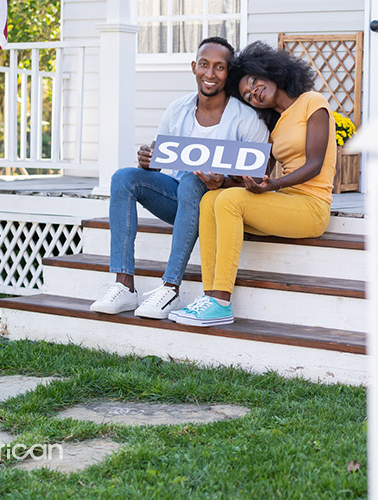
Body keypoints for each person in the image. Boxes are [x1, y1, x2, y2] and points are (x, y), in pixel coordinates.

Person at [90, 37, 269, 319]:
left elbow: (257, 179)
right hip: (179, 202)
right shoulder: (178, 109)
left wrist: (223, 183)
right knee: (123, 178)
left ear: (229, 72)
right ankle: (124, 286)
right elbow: (160, 162)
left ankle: (170, 287)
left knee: (190, 180)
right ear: (193, 67)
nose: (210, 74)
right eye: (204, 65)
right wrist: (147, 162)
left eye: (219, 67)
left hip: (218, 208)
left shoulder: (245, 118)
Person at [171, 41, 335, 327]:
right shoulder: (276, 125)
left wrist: (272, 185)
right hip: (285, 202)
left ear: (269, 71)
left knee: (229, 201)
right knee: (211, 199)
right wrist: (223, 179)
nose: (254, 93)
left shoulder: (313, 102)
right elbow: (258, 173)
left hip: (312, 207)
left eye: (255, 82)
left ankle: (221, 302)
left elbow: (314, 164)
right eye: (247, 94)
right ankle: (209, 297)